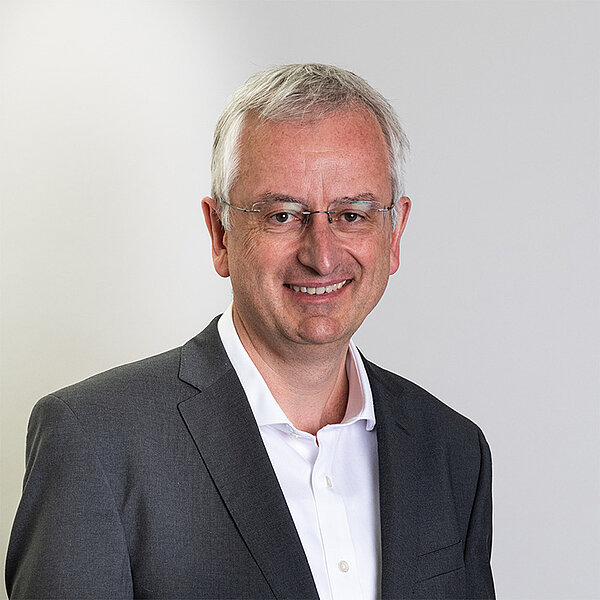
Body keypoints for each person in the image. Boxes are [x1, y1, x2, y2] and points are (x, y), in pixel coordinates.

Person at [6, 63, 495, 599]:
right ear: (220, 233)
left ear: (394, 232)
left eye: (352, 214)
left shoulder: (452, 450)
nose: (322, 255)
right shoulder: (95, 441)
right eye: (282, 215)